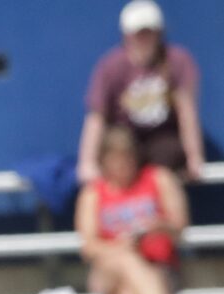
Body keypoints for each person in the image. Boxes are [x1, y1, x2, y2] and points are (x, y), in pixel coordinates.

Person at [75, 124, 192, 294]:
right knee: (126, 259)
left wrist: (158, 226)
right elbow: (89, 246)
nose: (121, 166)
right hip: (109, 274)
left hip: (157, 269)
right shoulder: (94, 193)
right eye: (114, 159)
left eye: (127, 158)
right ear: (104, 161)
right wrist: (120, 245)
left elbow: (180, 226)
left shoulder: (158, 178)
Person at [82, 2, 203, 185]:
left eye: (149, 32)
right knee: (118, 150)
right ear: (126, 35)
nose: (144, 38)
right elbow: (96, 117)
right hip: (125, 138)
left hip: (163, 138)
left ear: (159, 33)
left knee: (168, 155)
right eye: (138, 33)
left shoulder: (178, 61)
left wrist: (195, 157)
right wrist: (87, 162)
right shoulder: (110, 67)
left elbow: (187, 112)